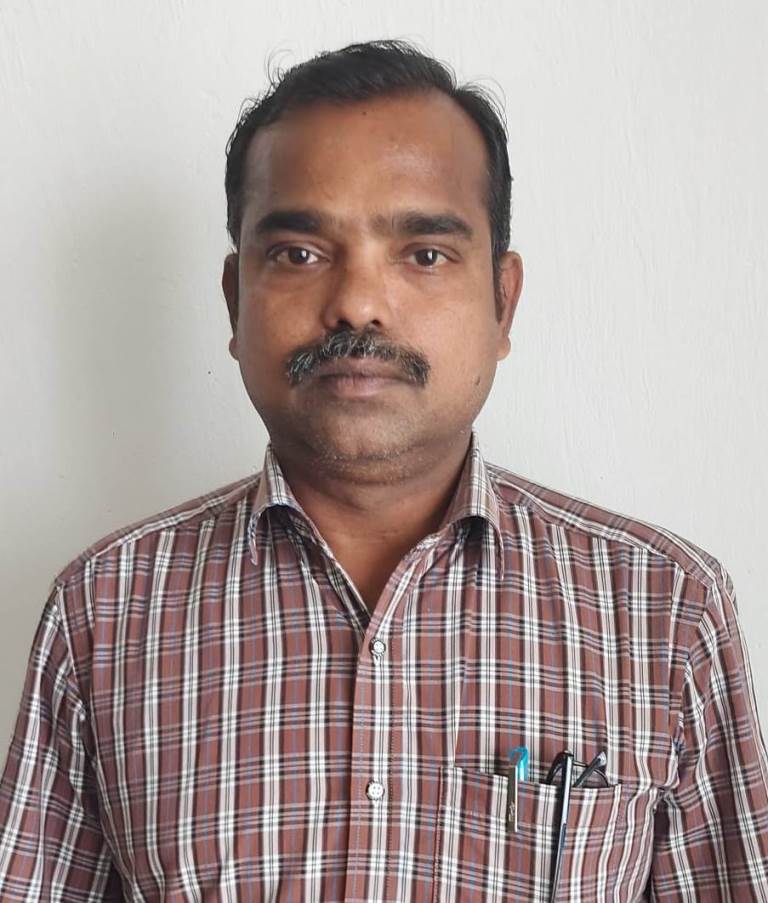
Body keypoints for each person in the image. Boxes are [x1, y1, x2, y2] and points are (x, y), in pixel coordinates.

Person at [1, 39, 767, 903]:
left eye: (424, 253)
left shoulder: (664, 613)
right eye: (299, 252)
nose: (358, 302)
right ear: (234, 300)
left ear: (503, 301)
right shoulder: (102, 615)